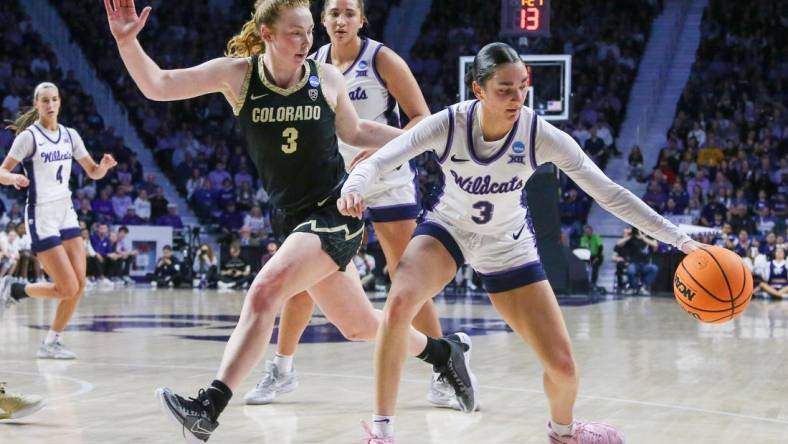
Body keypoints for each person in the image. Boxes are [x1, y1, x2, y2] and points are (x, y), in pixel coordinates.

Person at [105, 1, 472, 442]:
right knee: (358, 325)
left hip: (332, 213)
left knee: (264, 292)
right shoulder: (238, 75)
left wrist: (428, 139)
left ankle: (209, 406)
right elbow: (158, 85)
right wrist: (127, 42)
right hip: (289, 219)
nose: (307, 42)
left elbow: (356, 133)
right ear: (267, 34)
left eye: (306, 33)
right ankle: (443, 352)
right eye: (296, 33)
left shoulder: (326, 79)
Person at [337, 42, 704, 443]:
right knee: (398, 305)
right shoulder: (449, 123)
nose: (516, 97)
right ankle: (382, 433)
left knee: (563, 368)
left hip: (507, 245)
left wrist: (681, 241)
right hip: (450, 230)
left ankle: (564, 433)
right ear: (478, 90)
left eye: (522, 87)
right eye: (504, 89)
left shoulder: (538, 133)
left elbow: (609, 193)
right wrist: (353, 189)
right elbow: (378, 160)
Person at [245, 0, 451, 409]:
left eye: (348, 13)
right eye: (333, 13)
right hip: (332, 184)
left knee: (406, 275)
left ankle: (445, 369)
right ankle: (282, 370)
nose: (340, 21)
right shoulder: (311, 61)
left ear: (362, 20)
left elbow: (421, 120)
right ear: (321, 21)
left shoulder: (382, 59)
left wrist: (378, 156)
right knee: (299, 276)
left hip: (386, 177)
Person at [0, 82, 117, 360]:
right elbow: (2, 171)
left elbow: (92, 171)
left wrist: (103, 168)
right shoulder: (29, 137)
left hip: (66, 212)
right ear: (36, 104)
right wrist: (14, 178)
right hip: (41, 215)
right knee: (67, 287)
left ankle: (52, 341)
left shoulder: (70, 135)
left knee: (80, 284)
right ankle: (17, 288)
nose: (50, 105)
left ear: (60, 102)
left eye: (54, 100)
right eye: (45, 101)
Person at [616, 226, 659, 295]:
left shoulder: (647, 237)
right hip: (633, 263)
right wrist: (630, 236)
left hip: (645, 264)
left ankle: (643, 287)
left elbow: (655, 245)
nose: (639, 230)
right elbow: (618, 244)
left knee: (654, 268)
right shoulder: (631, 238)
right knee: (630, 270)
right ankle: (633, 288)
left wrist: (642, 237)